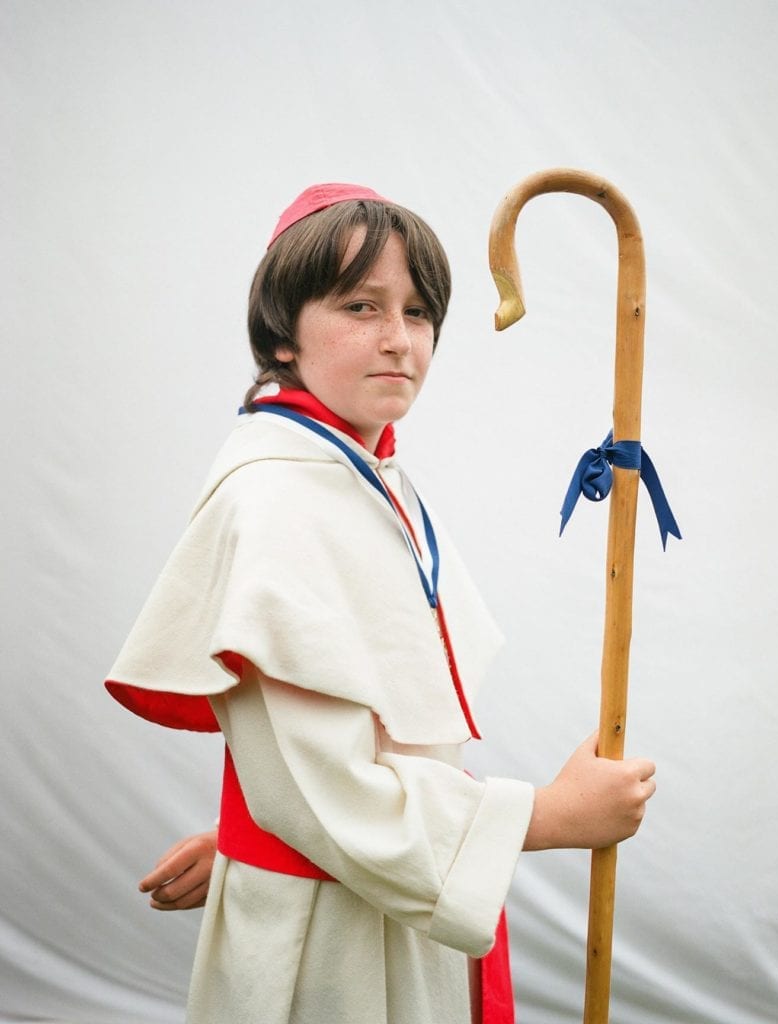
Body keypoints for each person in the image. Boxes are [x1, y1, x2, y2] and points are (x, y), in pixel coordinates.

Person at [107, 183, 656, 1024]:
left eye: (419, 310)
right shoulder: (276, 499)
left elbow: (321, 756)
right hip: (336, 952)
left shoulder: (362, 475)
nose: (399, 340)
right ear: (283, 333)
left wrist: (251, 836)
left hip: (374, 894)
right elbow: (326, 787)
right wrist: (547, 817)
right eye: (361, 305)